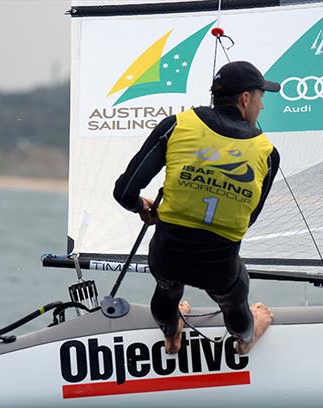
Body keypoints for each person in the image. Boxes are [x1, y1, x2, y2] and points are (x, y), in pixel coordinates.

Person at [113, 60, 280, 354]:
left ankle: (172, 333)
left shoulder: (177, 126)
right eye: (260, 97)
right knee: (234, 298)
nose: (262, 106)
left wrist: (142, 207)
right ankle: (245, 337)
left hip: (167, 256)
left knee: (167, 286)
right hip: (220, 267)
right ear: (245, 99)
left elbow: (124, 192)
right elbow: (248, 217)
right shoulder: (267, 153)